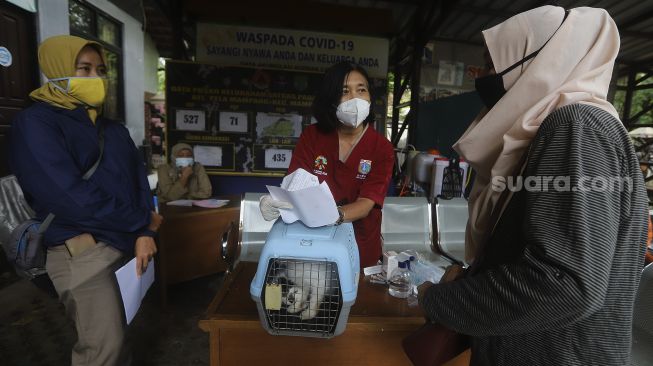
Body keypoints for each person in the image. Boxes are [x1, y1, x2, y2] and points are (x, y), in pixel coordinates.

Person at [417, 6, 648, 366]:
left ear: (541, 62)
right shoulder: (560, 128)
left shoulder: (578, 128)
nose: (485, 77)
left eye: (494, 65)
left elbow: (565, 284)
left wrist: (440, 300)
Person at [10, 35, 162, 366]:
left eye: (100, 70)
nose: (95, 78)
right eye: (83, 68)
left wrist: (145, 234)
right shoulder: (36, 123)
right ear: (57, 70)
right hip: (82, 253)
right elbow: (68, 195)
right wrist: (140, 222)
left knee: (119, 342)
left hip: (125, 248)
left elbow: (139, 184)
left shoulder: (114, 130)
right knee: (102, 350)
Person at [259, 62, 394, 267]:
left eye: (361, 90)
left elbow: (366, 204)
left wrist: (332, 215)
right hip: (310, 241)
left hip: (359, 246)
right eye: (344, 91)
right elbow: (297, 183)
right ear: (330, 99)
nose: (355, 98)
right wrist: (279, 201)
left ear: (370, 97)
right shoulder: (312, 136)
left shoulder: (381, 148)